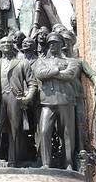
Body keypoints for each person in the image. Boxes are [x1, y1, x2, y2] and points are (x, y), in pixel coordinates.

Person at [0, 36, 37, 167]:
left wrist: (28, 97)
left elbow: (32, 83)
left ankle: (13, 161)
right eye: (3, 42)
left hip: (15, 99)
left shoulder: (22, 63)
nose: (6, 44)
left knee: (15, 129)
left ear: (13, 45)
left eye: (9, 42)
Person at [35, 32, 78, 169]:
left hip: (65, 100)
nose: (52, 45)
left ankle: (68, 163)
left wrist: (51, 73)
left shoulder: (70, 61)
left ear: (61, 44)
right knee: (44, 131)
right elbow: (39, 74)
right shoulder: (42, 61)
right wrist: (57, 70)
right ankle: (46, 163)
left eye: (55, 43)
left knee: (67, 134)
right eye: (50, 43)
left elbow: (70, 75)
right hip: (48, 101)